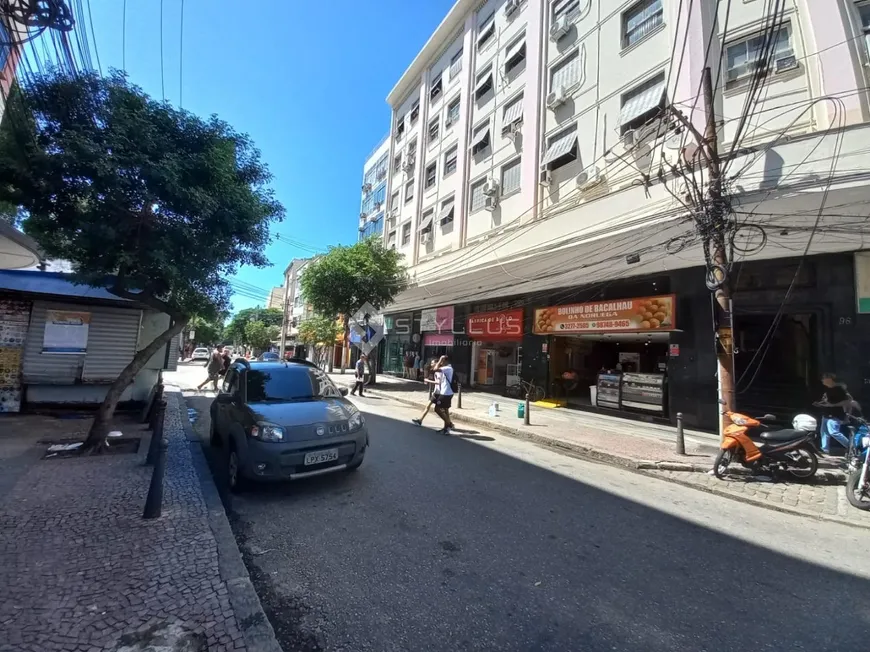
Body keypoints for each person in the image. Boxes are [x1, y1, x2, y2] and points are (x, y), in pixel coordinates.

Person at [816, 372, 860, 454]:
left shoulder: (839, 389)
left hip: (835, 414)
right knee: (824, 432)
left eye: (824, 378)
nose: (822, 380)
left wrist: (833, 405)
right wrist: (821, 404)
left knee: (833, 432)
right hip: (826, 413)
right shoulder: (827, 389)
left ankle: (851, 447)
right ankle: (825, 449)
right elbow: (828, 401)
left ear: (830, 379)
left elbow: (847, 401)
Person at [412, 355, 455, 434]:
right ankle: (447, 427)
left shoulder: (447, 368)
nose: (431, 364)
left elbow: (438, 378)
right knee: (443, 409)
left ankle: (449, 425)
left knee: (439, 409)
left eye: (433, 363)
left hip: (443, 392)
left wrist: (428, 380)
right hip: (442, 392)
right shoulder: (444, 369)